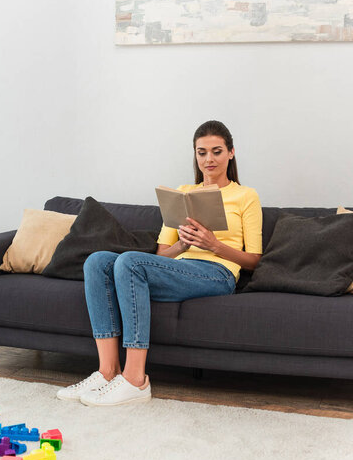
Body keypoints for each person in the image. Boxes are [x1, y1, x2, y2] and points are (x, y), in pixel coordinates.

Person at [56, 120, 262, 406]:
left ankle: (135, 380)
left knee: (128, 262)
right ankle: (107, 371)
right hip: (179, 269)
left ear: (231, 153)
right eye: (202, 152)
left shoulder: (246, 196)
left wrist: (213, 244)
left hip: (218, 274)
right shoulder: (183, 193)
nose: (209, 159)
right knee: (97, 261)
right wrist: (183, 244)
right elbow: (161, 255)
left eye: (216, 151)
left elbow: (254, 261)